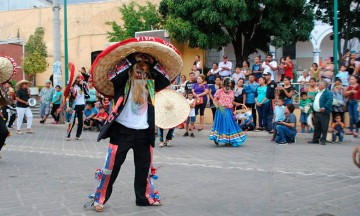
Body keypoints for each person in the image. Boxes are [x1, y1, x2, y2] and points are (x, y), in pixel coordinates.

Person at [88, 38, 180, 211]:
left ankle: (144, 198)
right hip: (121, 131)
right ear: (131, 70)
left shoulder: (151, 85)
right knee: (111, 168)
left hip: (144, 133)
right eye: (138, 68)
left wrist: (151, 63)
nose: (141, 71)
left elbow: (165, 79)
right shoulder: (121, 83)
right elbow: (113, 75)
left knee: (144, 169)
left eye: (144, 69)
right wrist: (132, 58)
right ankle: (99, 198)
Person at [209, 78, 246, 146]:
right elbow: (214, 100)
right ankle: (218, 138)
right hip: (221, 109)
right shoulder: (219, 91)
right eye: (229, 82)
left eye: (231, 82)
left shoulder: (231, 92)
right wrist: (217, 106)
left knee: (228, 124)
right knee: (222, 124)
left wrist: (236, 103)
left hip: (229, 110)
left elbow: (231, 101)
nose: (230, 84)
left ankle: (227, 140)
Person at [308, 80, 333, 145]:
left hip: (324, 112)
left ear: (324, 86)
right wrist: (312, 104)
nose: (318, 86)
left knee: (324, 127)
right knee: (317, 126)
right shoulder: (317, 92)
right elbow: (315, 100)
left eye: (319, 85)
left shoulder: (328, 93)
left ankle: (323, 140)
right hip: (317, 112)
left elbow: (329, 101)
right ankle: (315, 139)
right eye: (318, 85)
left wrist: (324, 107)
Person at [66, 74, 89, 141]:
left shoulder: (84, 86)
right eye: (79, 79)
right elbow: (70, 97)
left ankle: (78, 135)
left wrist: (82, 73)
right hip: (75, 106)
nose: (80, 80)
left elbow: (87, 77)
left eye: (81, 79)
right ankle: (68, 135)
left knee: (81, 122)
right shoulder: (74, 87)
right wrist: (69, 106)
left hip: (82, 106)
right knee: (72, 121)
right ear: (76, 80)